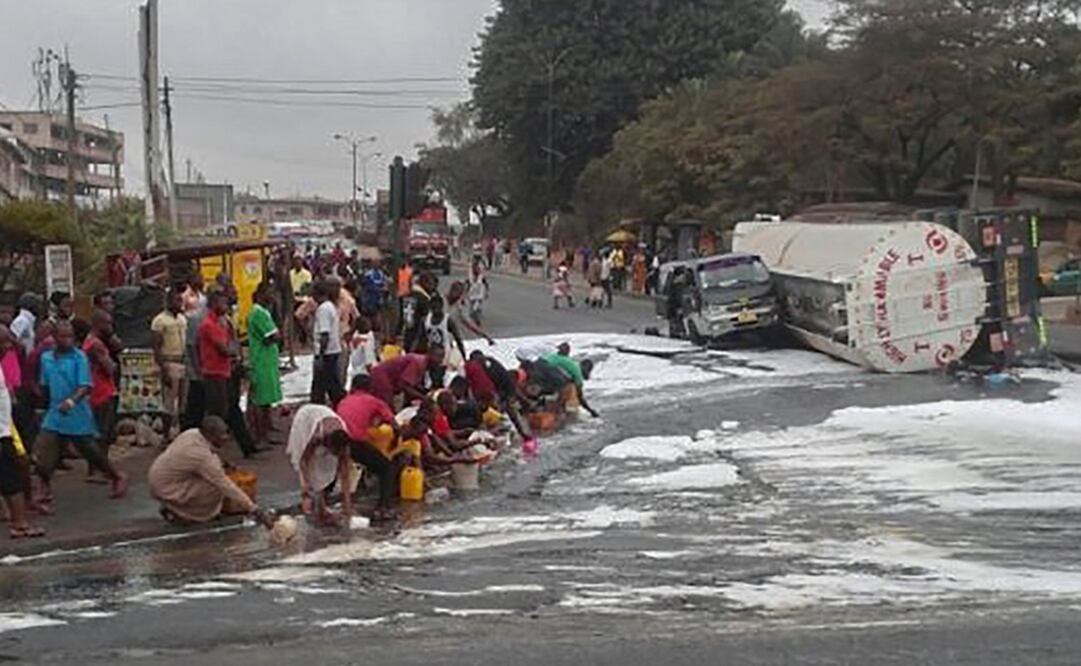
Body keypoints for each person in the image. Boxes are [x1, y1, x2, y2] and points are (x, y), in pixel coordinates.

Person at [33, 320, 127, 504]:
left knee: (90, 450)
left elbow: (85, 385)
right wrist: (40, 405)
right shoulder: (47, 358)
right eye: (62, 336)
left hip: (77, 411)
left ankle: (116, 475)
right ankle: (44, 486)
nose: (67, 340)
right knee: (44, 450)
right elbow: (44, 385)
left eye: (70, 336)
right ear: (54, 337)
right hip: (55, 411)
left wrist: (71, 401)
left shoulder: (79, 358)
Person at [148, 416, 275, 528]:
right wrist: (254, 509)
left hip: (161, 479)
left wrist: (223, 463)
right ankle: (187, 515)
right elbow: (225, 485)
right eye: (222, 435)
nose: (226, 438)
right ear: (211, 435)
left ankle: (176, 508)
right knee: (216, 488)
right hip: (166, 487)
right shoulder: (202, 456)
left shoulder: (192, 434)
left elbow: (204, 457)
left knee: (214, 478)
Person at [336, 374, 405, 520]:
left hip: (337, 441)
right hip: (355, 442)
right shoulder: (374, 402)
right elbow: (395, 425)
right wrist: (395, 441)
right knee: (387, 468)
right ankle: (383, 507)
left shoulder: (344, 401)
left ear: (353, 387)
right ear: (370, 388)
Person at [286, 403, 355, 525]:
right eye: (334, 452)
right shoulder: (317, 437)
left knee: (327, 468)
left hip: (326, 419)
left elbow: (345, 475)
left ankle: (321, 508)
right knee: (313, 470)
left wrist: (347, 506)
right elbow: (304, 461)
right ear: (328, 445)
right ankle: (316, 508)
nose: (337, 455)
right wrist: (305, 483)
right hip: (306, 419)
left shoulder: (344, 443)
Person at [464, 351, 536, 444]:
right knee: (501, 410)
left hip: (494, 387)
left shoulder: (483, 365)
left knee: (500, 410)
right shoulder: (489, 363)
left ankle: (485, 432)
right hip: (492, 388)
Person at [83, 309, 119, 475]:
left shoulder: (90, 341)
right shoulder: (96, 344)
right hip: (101, 391)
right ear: (99, 324)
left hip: (97, 390)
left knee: (99, 432)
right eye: (108, 323)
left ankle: (97, 468)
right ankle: (98, 469)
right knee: (101, 433)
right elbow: (110, 368)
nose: (111, 327)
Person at [248, 283, 283, 443]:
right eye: (270, 293)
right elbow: (272, 336)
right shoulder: (258, 313)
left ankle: (267, 426)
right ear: (261, 294)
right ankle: (260, 433)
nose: (273, 296)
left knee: (268, 396)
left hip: (268, 359)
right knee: (260, 398)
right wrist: (277, 334)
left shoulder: (265, 312)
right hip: (261, 359)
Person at [151, 288, 187, 438]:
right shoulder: (159, 321)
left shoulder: (182, 319)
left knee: (183, 402)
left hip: (182, 361)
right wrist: (163, 368)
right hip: (168, 361)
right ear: (169, 301)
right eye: (177, 300)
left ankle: (181, 433)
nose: (180, 304)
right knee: (168, 403)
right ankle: (166, 435)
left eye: (181, 300)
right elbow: (156, 347)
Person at [369, 346, 445, 407]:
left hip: (386, 378)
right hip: (382, 377)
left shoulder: (424, 365)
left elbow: (412, 384)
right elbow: (404, 385)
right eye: (438, 356)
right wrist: (423, 398)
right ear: (430, 354)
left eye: (442, 357)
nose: (440, 361)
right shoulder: (418, 362)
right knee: (385, 407)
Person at [542, 343, 599, 418]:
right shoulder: (577, 372)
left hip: (540, 365)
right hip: (546, 371)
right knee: (568, 388)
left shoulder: (570, 363)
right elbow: (580, 397)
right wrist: (591, 411)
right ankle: (555, 410)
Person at [401, 271, 436, 352]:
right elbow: (425, 321)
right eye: (431, 284)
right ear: (424, 282)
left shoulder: (407, 296)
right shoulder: (424, 299)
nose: (433, 288)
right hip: (419, 340)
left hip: (407, 336)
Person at [10, 293, 40, 358]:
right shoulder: (22, 320)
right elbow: (12, 338)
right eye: (36, 304)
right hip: (21, 359)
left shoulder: (29, 320)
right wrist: (22, 350)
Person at [349, 316, 379, 380]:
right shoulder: (367, 342)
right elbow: (368, 362)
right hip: (364, 372)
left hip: (355, 370)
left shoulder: (354, 337)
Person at [466, 260, 490, 325]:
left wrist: (487, 292)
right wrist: (464, 294)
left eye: (478, 268)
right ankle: (473, 321)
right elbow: (467, 285)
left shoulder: (481, 277)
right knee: (471, 310)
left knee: (476, 308)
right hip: (471, 294)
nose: (477, 270)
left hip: (479, 295)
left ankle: (477, 320)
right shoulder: (470, 276)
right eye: (475, 268)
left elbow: (486, 284)